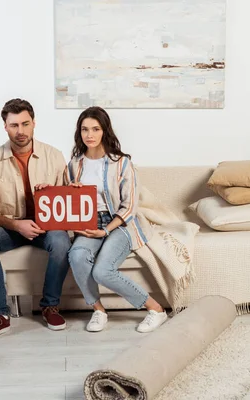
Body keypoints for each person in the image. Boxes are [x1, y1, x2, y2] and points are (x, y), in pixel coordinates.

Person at [0, 98, 71, 342]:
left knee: (61, 242)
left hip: (46, 227)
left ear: (34, 123)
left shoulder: (54, 156)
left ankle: (50, 306)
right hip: (10, 227)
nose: (21, 131)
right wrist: (16, 224)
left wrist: (52, 194)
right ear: (5, 127)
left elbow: (67, 199)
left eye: (25, 124)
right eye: (14, 125)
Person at [67, 106, 168, 333]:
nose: (89, 135)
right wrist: (72, 192)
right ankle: (99, 310)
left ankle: (156, 309)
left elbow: (129, 207)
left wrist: (105, 231)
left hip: (118, 224)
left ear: (105, 131)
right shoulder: (74, 164)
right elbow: (68, 202)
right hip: (88, 223)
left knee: (102, 271)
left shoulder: (122, 163)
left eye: (95, 129)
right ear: (79, 132)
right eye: (84, 129)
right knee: (77, 255)